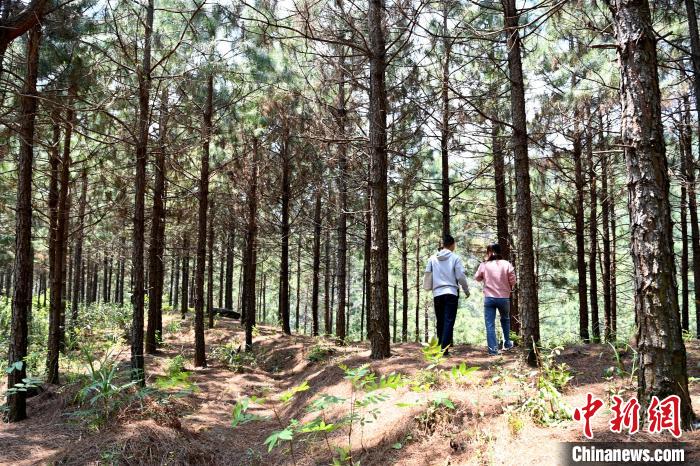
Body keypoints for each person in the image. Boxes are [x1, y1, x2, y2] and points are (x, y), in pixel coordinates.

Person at [422, 234, 470, 354]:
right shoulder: (455, 258)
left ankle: (440, 347)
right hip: (451, 293)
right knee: (449, 321)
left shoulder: (432, 258)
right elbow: (460, 276)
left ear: (443, 245)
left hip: (437, 293)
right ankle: (444, 350)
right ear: (453, 244)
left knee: (440, 321)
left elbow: (427, 274)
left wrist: (428, 288)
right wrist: (466, 290)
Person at [474, 243, 516, 355]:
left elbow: (477, 277)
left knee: (490, 324)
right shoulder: (507, 264)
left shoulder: (484, 265)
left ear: (489, 253)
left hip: (489, 298)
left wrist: (485, 276)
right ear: (500, 251)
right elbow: (513, 281)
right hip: (504, 297)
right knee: (505, 320)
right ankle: (507, 343)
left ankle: (493, 350)